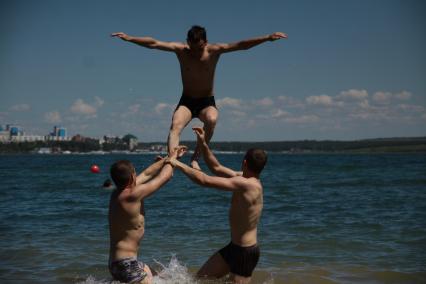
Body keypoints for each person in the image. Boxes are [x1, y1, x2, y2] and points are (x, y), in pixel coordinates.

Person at [111, 26, 286, 167]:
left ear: (205, 42)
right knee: (175, 125)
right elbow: (154, 43)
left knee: (211, 119)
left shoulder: (215, 50)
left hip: (206, 102)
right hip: (187, 101)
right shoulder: (181, 50)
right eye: (193, 47)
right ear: (188, 42)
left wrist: (267, 38)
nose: (196, 52)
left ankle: (196, 157)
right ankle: (172, 160)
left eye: (200, 47)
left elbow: (242, 45)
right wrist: (130, 38)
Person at [166, 127, 267, 283]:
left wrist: (177, 163)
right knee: (198, 279)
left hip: (245, 253)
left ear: (244, 162)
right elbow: (216, 168)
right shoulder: (243, 178)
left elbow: (205, 180)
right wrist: (203, 144)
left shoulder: (248, 185)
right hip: (233, 247)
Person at [108, 146, 186, 284]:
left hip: (120, 263)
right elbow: (165, 177)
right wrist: (173, 158)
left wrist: (166, 160)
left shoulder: (117, 193)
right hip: (127, 265)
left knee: (163, 277)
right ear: (132, 176)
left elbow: (147, 174)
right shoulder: (133, 194)